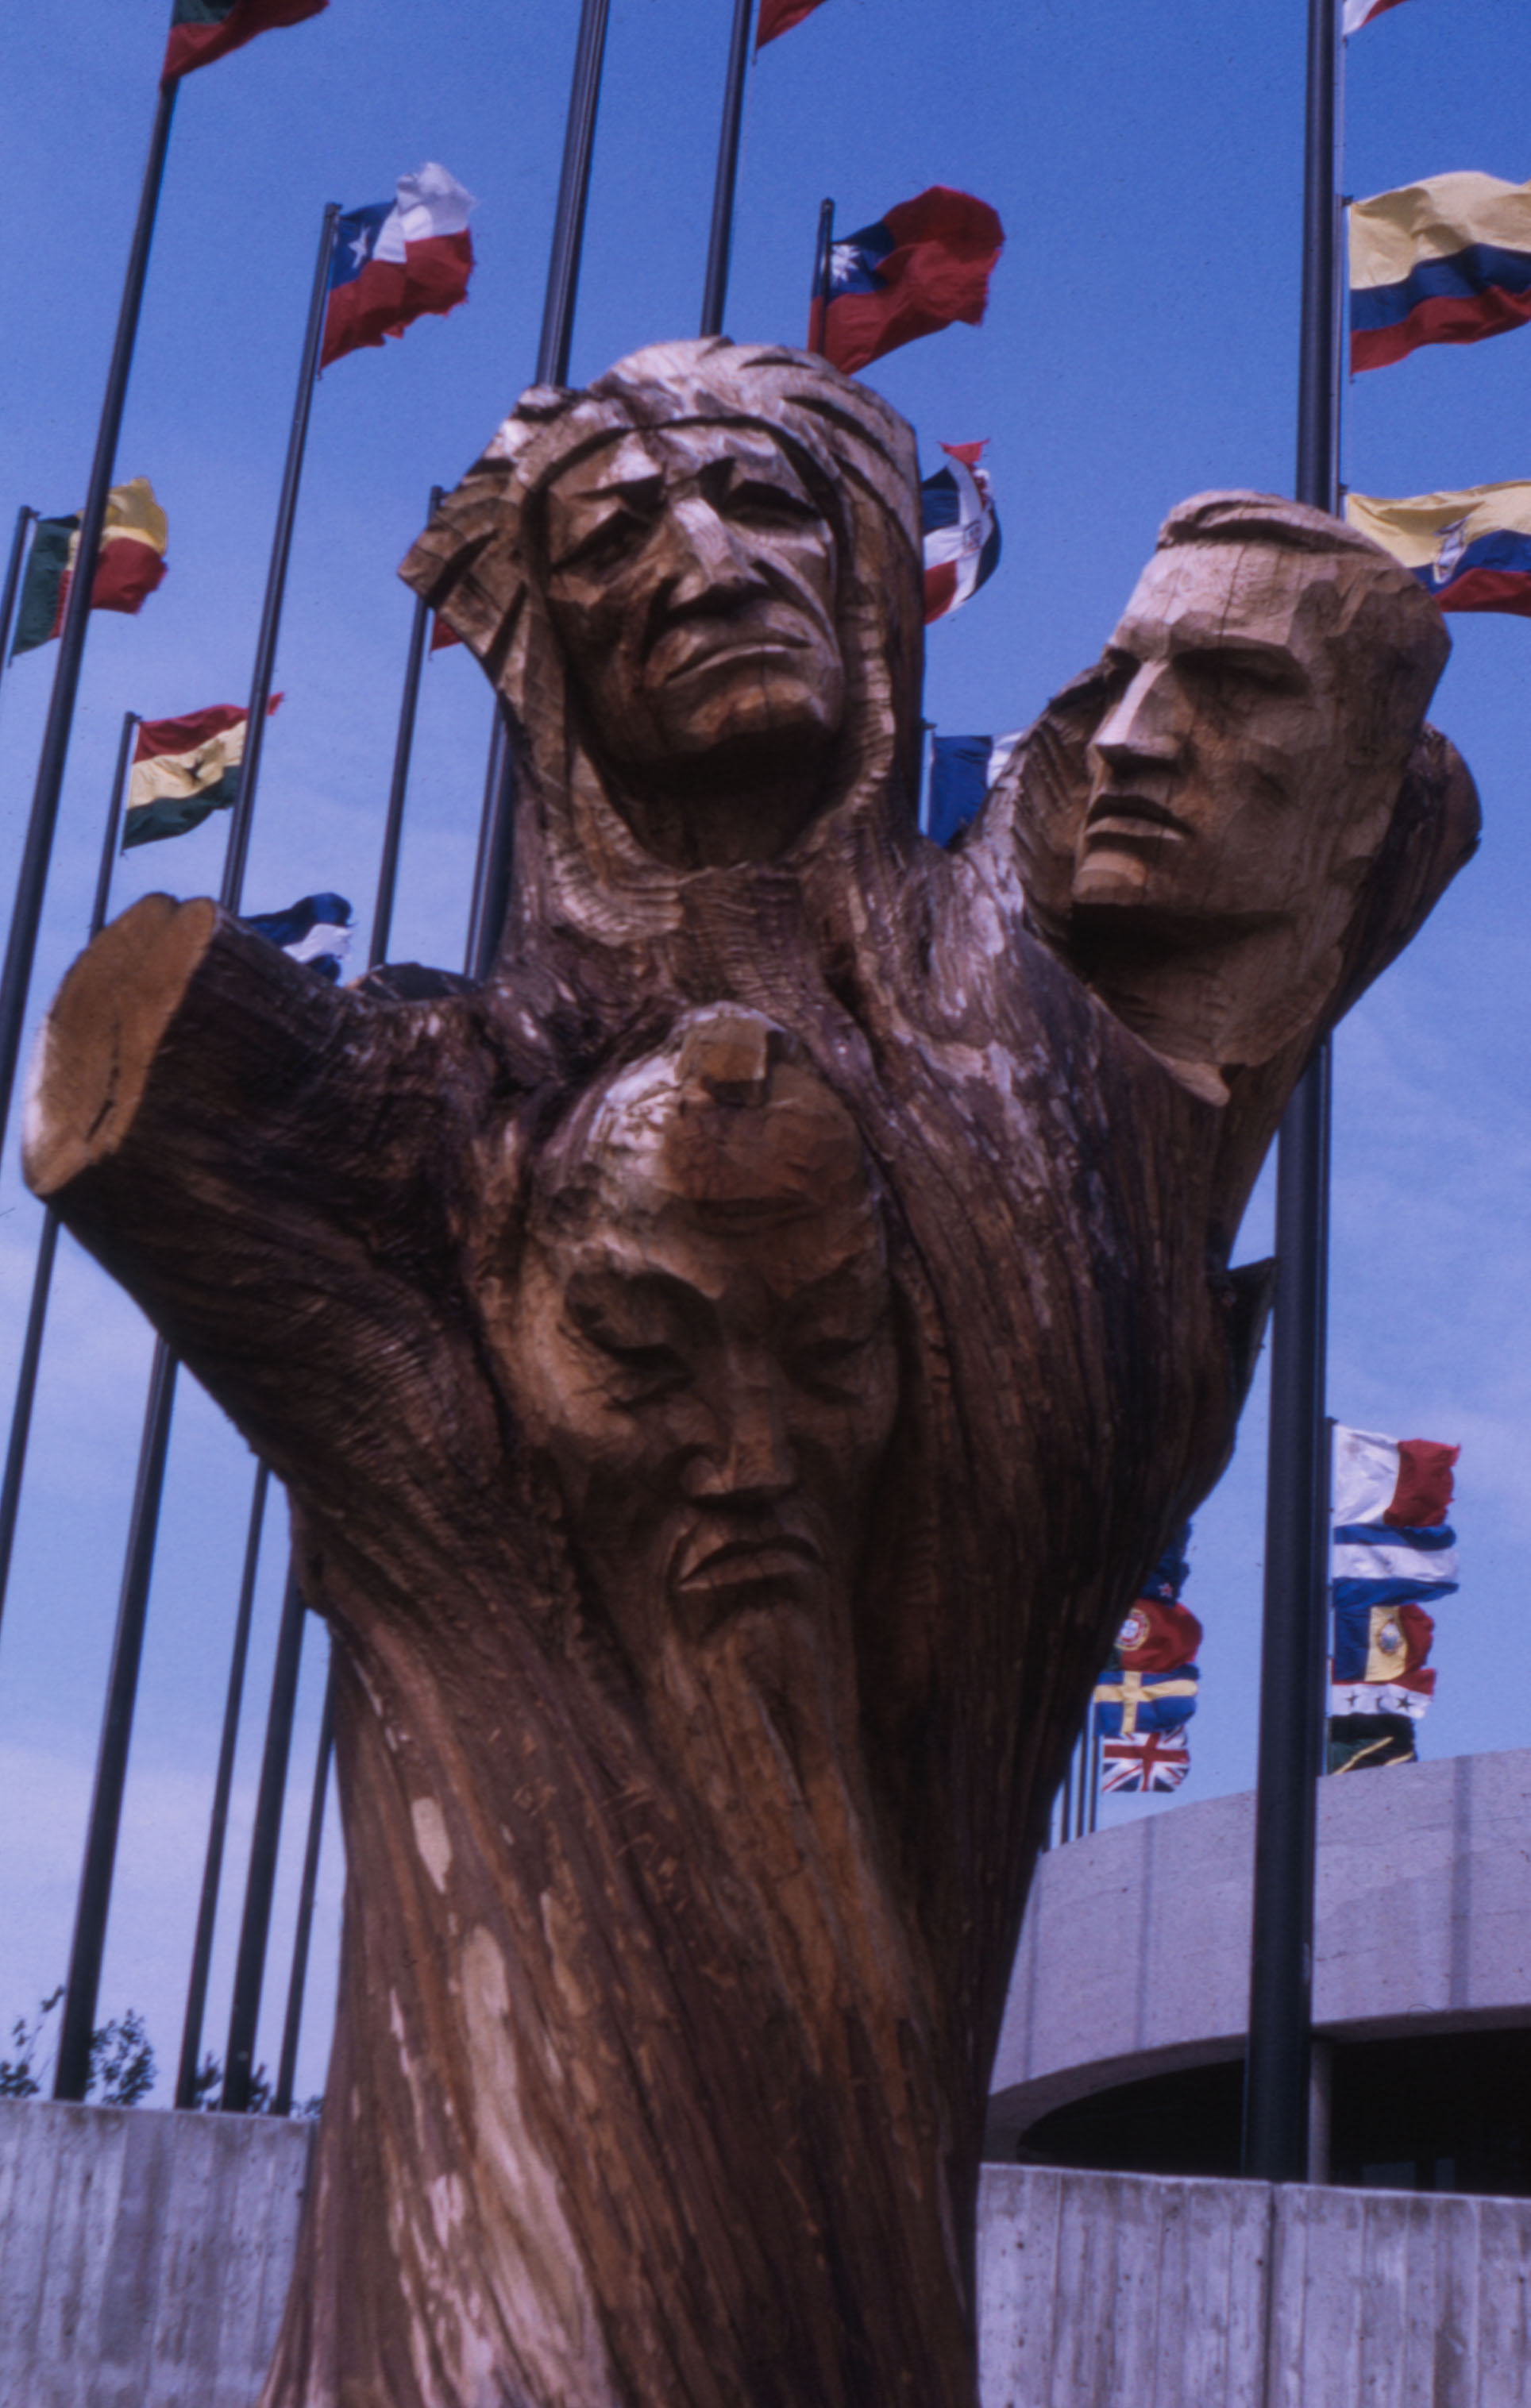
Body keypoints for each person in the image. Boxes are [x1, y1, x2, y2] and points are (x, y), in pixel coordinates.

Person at [24, 342, 1476, 2408]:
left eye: (767, 504)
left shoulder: (1047, 1009)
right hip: (502, 2246)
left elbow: (1377, 797)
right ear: (544, 652)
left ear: (878, 569)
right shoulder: (439, 1097)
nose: (703, 561)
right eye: (619, 534)